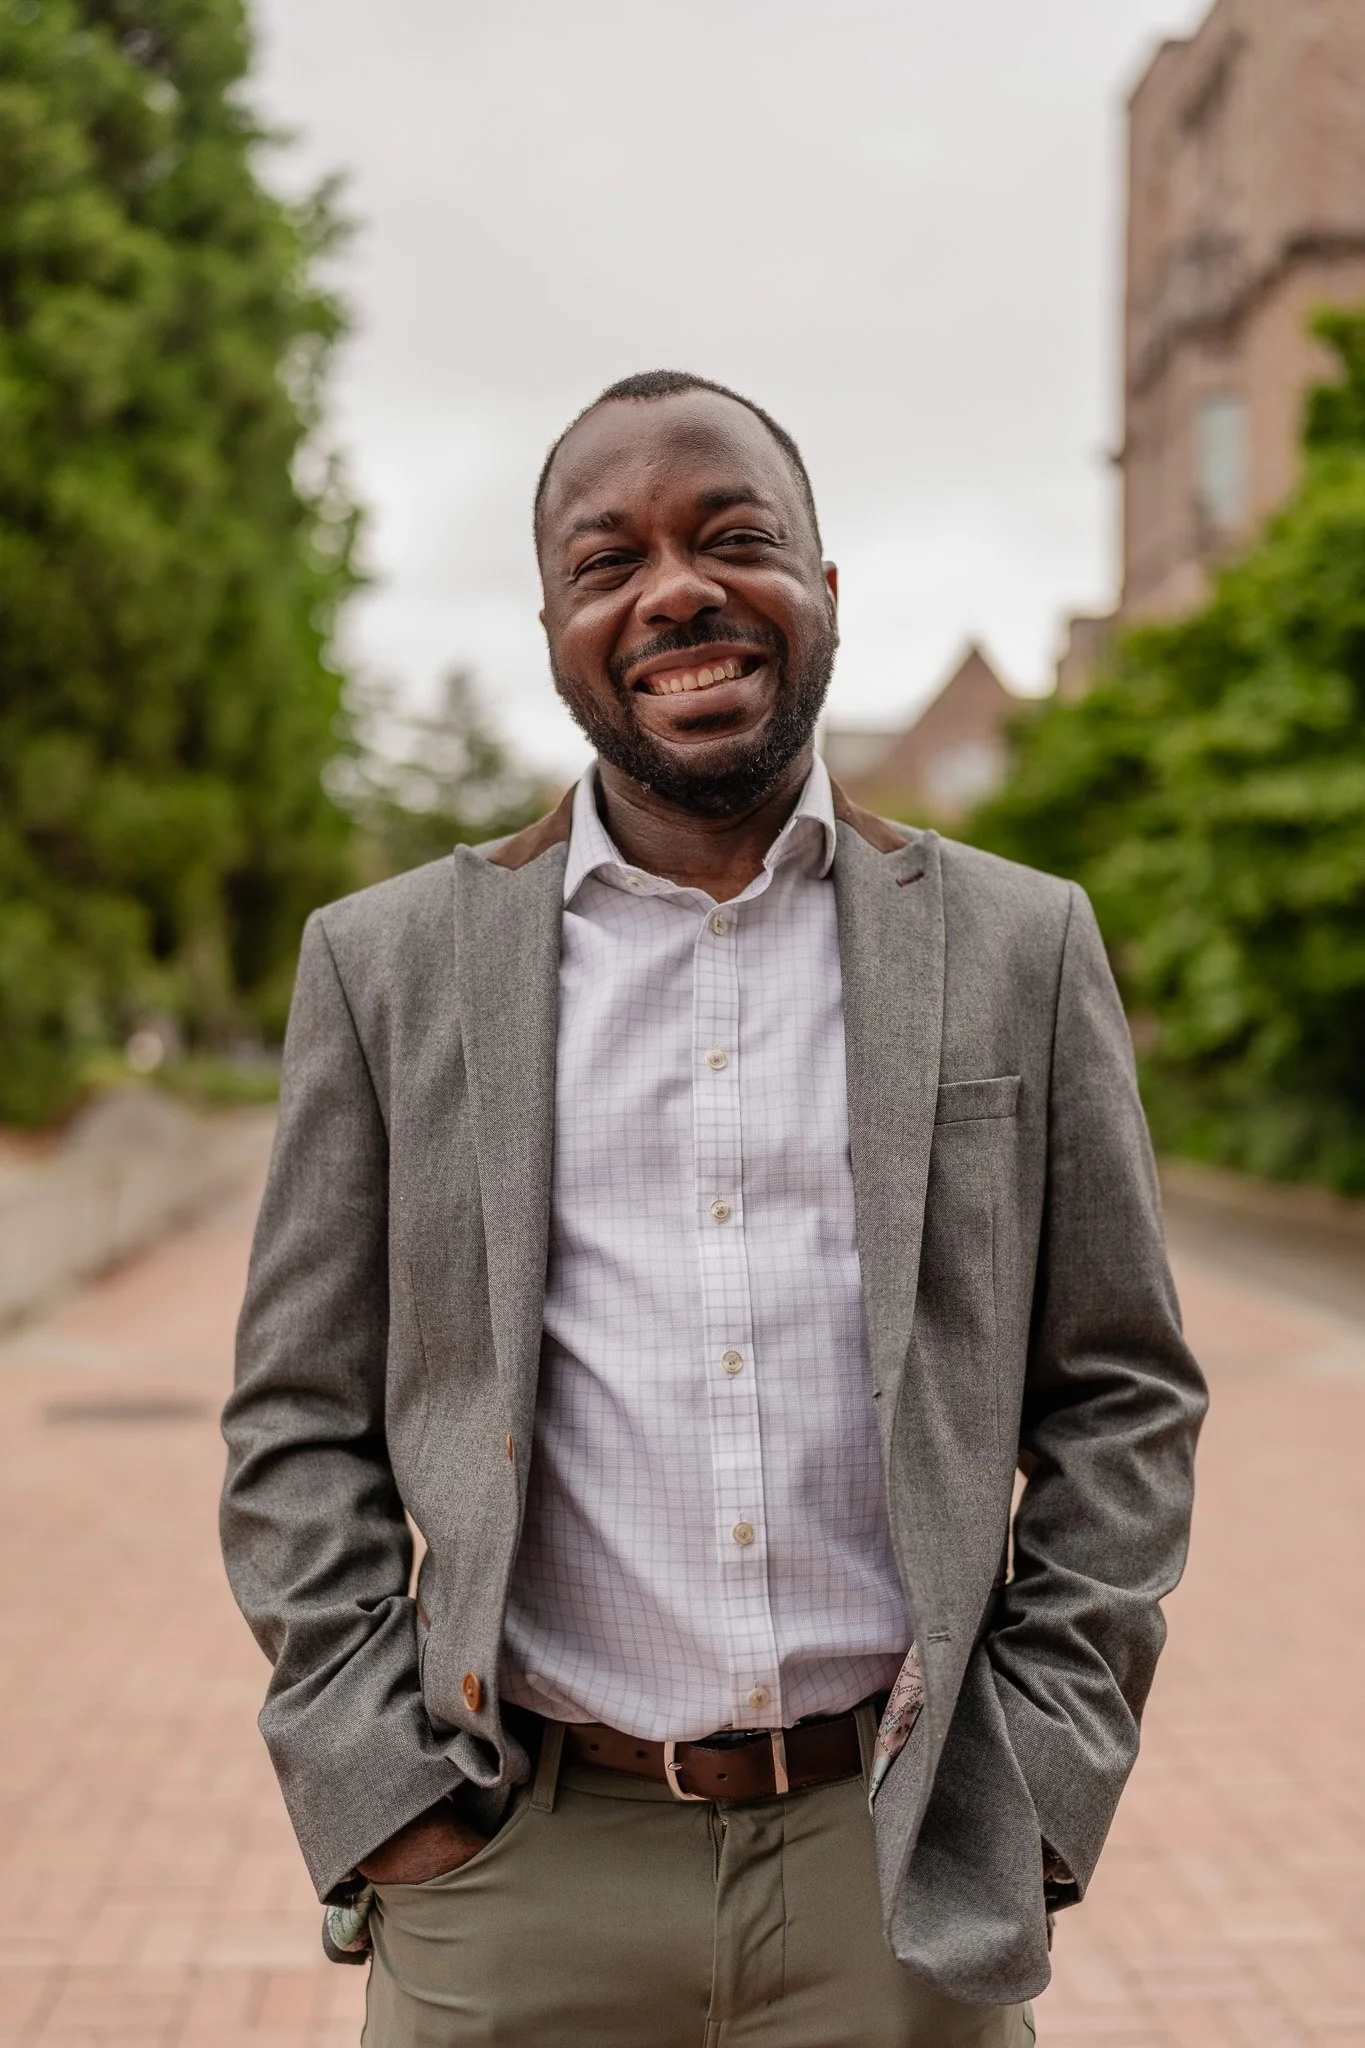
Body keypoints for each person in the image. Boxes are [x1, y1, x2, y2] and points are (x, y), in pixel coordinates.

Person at [221, 370, 1207, 2047]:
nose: (675, 589)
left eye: (734, 537)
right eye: (609, 563)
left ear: (823, 588)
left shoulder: (1019, 946)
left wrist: (1040, 1772)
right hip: (517, 1873)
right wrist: (381, 1791)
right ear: (555, 628)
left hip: (892, 1872)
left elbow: (1123, 1395)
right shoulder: (388, 969)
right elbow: (299, 1421)